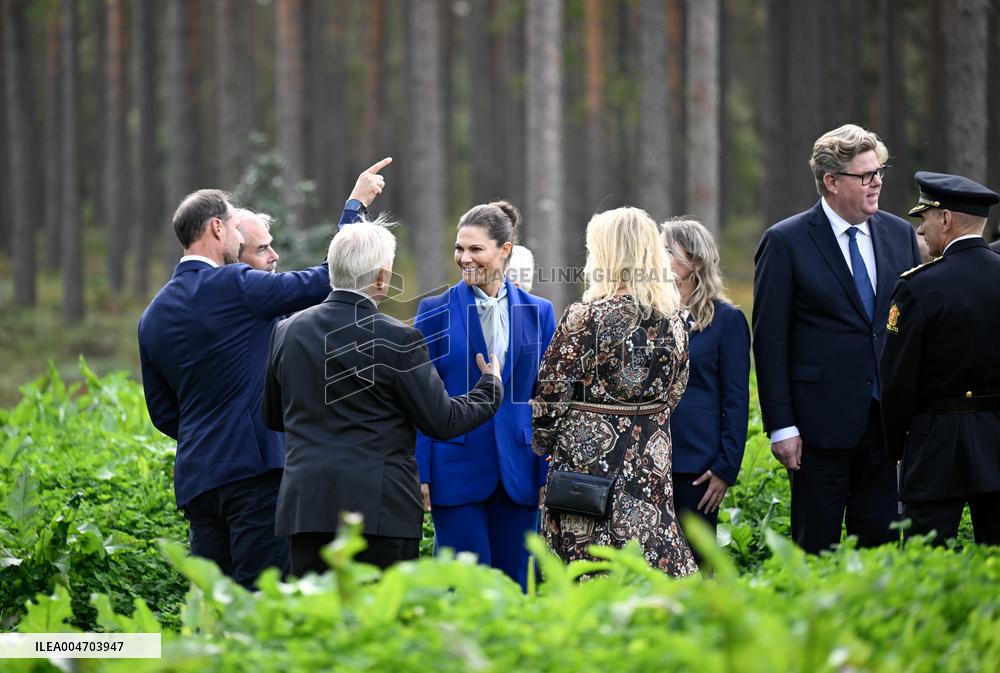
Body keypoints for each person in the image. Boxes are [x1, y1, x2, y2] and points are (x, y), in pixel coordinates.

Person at [138, 159, 390, 588]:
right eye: (237, 228)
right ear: (217, 228)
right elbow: (326, 279)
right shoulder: (234, 285)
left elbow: (163, 413)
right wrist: (355, 206)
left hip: (199, 478)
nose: (240, 237)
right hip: (254, 474)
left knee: (215, 604)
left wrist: (209, 433)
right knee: (262, 599)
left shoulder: (152, 315)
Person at [262, 220, 505, 575]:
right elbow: (443, 420)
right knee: (380, 624)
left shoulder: (286, 331)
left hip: (306, 508)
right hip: (380, 511)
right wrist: (490, 386)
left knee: (314, 622)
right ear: (381, 278)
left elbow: (272, 416)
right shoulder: (398, 339)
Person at [752, 124, 921, 554]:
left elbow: (907, 329)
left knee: (881, 550)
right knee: (815, 551)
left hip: (885, 426)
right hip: (815, 431)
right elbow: (770, 342)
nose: (878, 182)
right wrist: (782, 426)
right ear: (831, 182)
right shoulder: (785, 241)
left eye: (879, 172)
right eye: (866, 175)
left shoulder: (900, 235)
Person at [532, 207, 698, 577]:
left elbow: (549, 392)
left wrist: (545, 443)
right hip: (650, 457)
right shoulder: (673, 319)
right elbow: (677, 388)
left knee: (586, 566)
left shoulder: (585, 316)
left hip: (585, 465)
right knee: (651, 550)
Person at [414, 202, 556, 590]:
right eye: (459, 248)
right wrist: (421, 470)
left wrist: (545, 470)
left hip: (520, 470)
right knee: (464, 590)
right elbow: (420, 396)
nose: (464, 258)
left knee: (518, 586)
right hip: (454, 468)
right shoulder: (434, 311)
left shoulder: (540, 312)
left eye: (476, 249)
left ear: (504, 250)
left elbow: (546, 399)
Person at [880, 171, 1000, 545]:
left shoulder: (918, 286)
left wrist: (898, 448)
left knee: (925, 561)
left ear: (945, 219)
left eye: (926, 218)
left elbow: (896, 380)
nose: (924, 228)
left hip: (934, 445)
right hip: (997, 438)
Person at [661, 218, 750, 531]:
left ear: (695, 260)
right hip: (649, 462)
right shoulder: (653, 317)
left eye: (668, 251)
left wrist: (726, 468)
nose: (659, 258)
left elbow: (737, 399)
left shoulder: (728, 320)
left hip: (697, 465)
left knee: (697, 567)